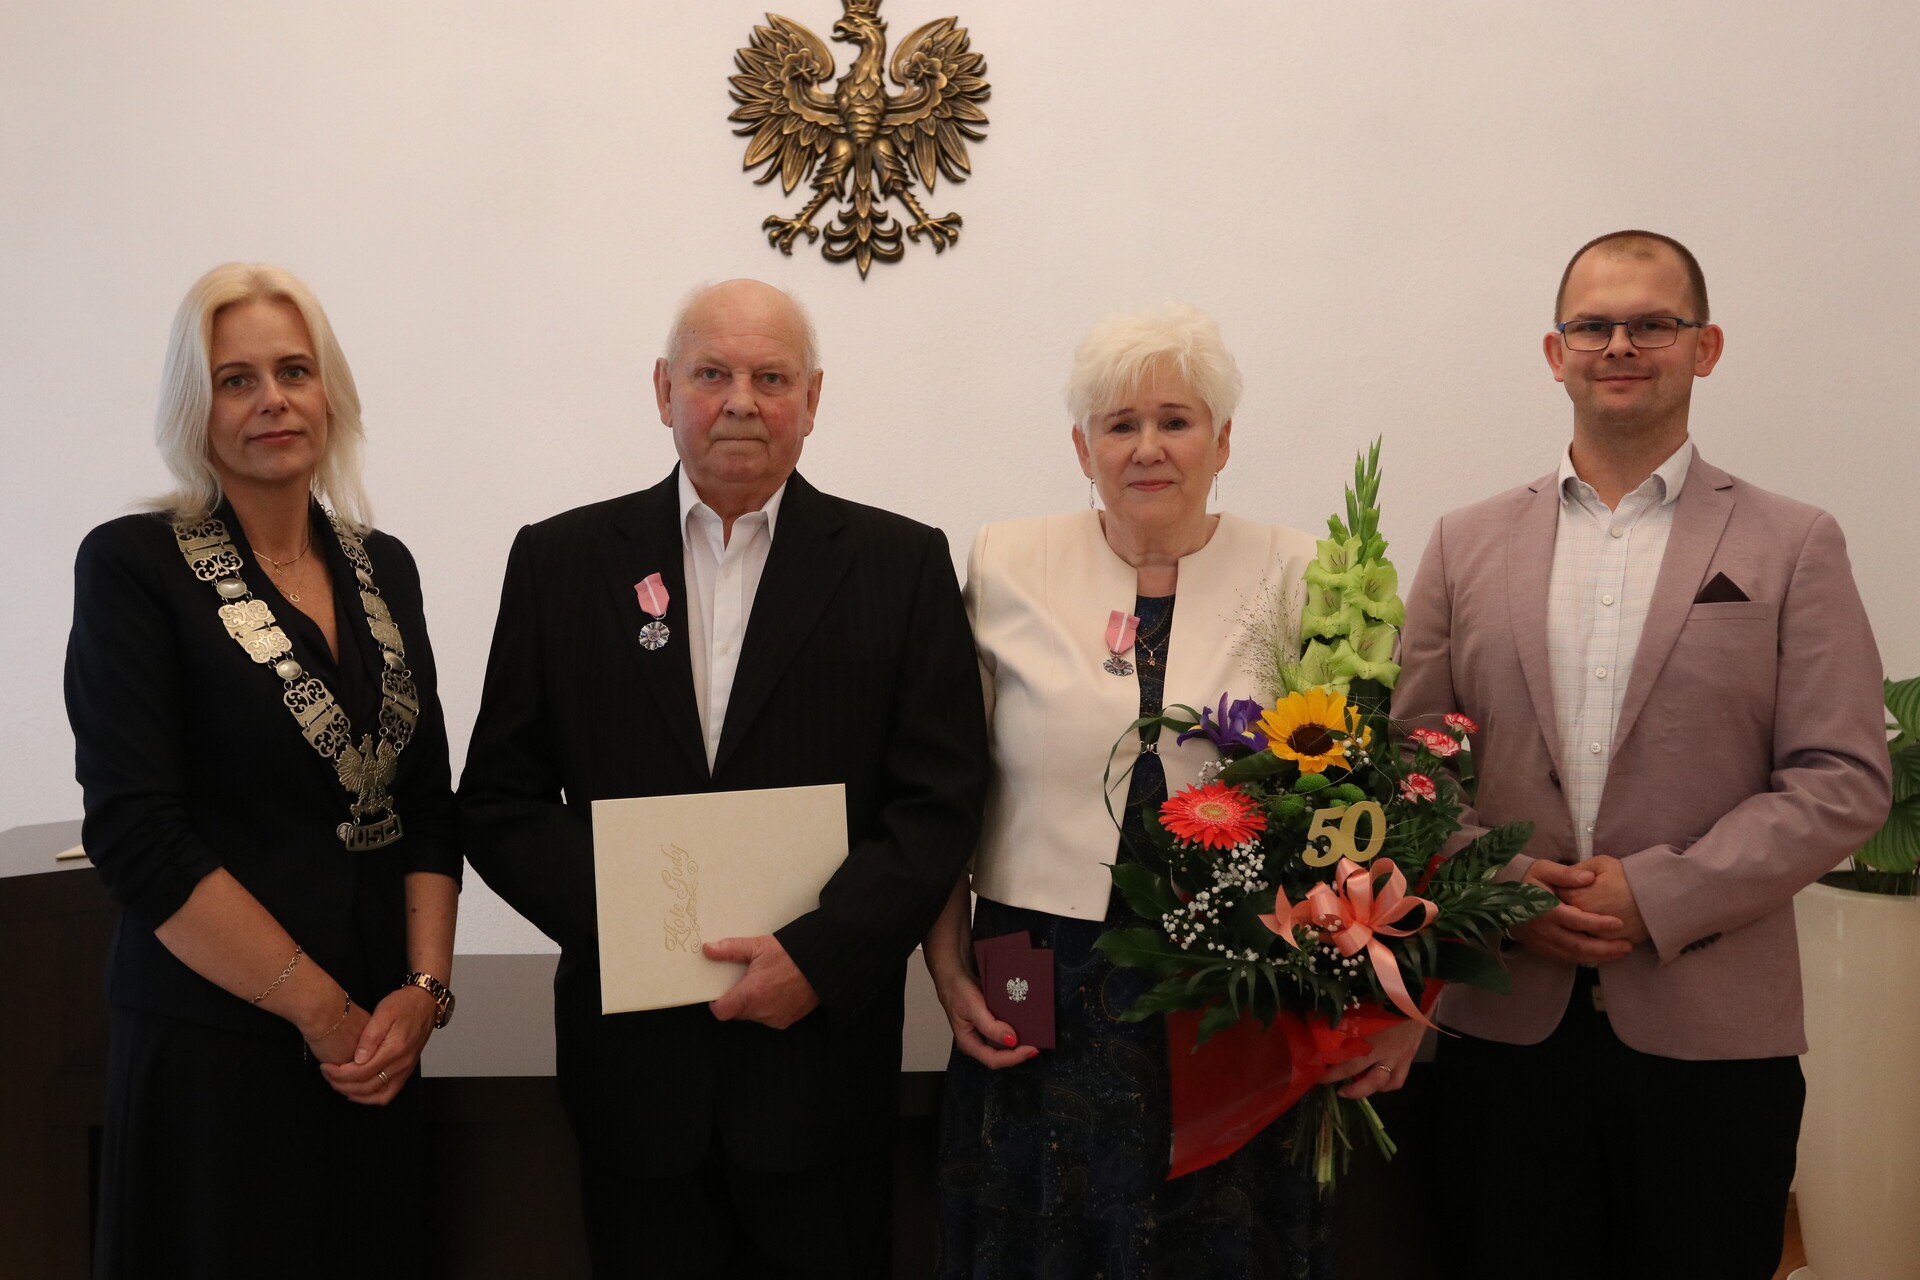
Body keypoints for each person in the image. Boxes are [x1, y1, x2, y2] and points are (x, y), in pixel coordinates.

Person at [458, 278, 988, 1279]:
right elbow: (497, 799)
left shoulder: (902, 565)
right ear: (664, 389)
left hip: (820, 1073)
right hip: (634, 1077)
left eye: (771, 377)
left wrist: (820, 957)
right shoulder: (561, 561)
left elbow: (939, 802)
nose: (741, 400)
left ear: (813, 399)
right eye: (712, 373)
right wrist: (638, 925)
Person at [1393, 230, 1892, 1280]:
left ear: (1705, 347)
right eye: (1593, 325)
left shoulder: (1793, 542)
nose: (1619, 345)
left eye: (1652, 324)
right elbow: (1411, 767)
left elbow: (1841, 778)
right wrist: (1509, 888)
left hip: (1716, 1045)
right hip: (1502, 1031)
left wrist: (1660, 894)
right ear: (1555, 352)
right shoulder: (1463, 543)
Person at [926, 304, 1421, 1279]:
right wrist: (945, 962)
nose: (1148, 447)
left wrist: (1390, 997)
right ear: (1083, 448)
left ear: (1222, 439)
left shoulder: (1309, 574)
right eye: (1120, 424)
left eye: (1176, 420)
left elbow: (1369, 807)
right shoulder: (1004, 562)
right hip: (1040, 972)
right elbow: (947, 782)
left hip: (1243, 979)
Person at [65, 263, 461, 1278]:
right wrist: (322, 1014)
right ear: (194, 410)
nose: (272, 400)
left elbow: (426, 801)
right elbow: (139, 837)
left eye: (294, 370)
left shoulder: (385, 566)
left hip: (377, 1048)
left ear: (330, 391)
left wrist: (422, 991)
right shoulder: (132, 567)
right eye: (235, 380)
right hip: (213, 1050)